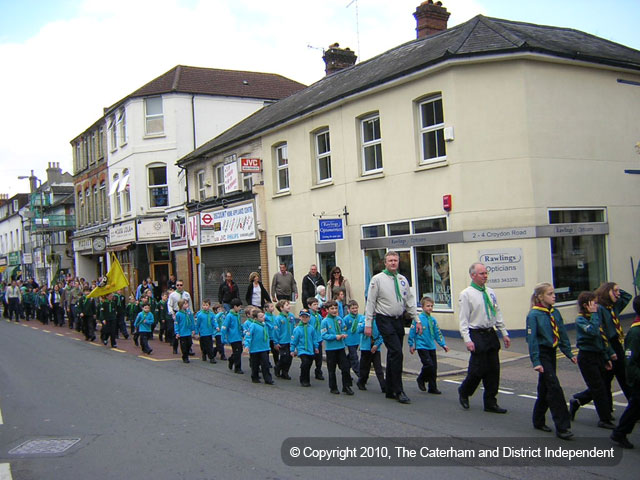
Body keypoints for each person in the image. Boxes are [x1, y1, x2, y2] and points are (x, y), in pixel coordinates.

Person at [364, 250, 420, 404]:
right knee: (396, 352)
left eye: (395, 260)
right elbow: (370, 302)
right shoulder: (377, 280)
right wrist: (368, 324)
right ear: (385, 262)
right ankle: (398, 390)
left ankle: (389, 388)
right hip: (384, 319)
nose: (393, 263)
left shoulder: (402, 279)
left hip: (398, 320)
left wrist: (417, 319)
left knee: (393, 353)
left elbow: (409, 300)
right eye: (390, 260)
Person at [458, 262, 511, 413]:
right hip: (476, 333)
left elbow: (497, 312)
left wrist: (504, 333)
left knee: (493, 369)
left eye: (486, 273)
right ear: (473, 275)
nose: (485, 276)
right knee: (477, 370)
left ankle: (490, 402)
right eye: (482, 274)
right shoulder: (466, 294)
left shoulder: (490, 292)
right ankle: (464, 391)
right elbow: (463, 320)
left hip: (490, 332)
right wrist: (467, 340)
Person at [525, 283, 576, 440]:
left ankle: (538, 420)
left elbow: (562, 333)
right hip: (543, 354)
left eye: (554, 293)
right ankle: (562, 426)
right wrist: (536, 361)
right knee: (554, 388)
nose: (554, 296)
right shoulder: (533, 315)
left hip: (552, 353)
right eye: (550, 294)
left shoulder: (555, 313)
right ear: (540, 297)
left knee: (545, 388)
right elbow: (531, 339)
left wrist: (569, 352)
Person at [569, 291, 617, 429]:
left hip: (598, 355)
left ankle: (578, 401)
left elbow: (602, 338)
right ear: (586, 305)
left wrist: (608, 355)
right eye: (594, 303)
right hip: (587, 357)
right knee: (598, 388)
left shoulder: (594, 317)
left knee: (601, 385)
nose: (596, 306)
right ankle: (604, 419)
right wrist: (595, 314)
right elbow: (593, 332)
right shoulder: (581, 320)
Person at [596, 282, 633, 408]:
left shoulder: (613, 306)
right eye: (615, 291)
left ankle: (633, 405)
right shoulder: (600, 308)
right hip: (609, 344)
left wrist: (616, 290)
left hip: (617, 343)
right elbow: (601, 331)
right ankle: (607, 407)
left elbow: (627, 297)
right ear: (607, 292)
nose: (618, 294)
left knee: (617, 376)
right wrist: (609, 351)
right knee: (612, 378)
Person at [610, 296, 640, 449]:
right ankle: (619, 433)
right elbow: (630, 361)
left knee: (635, 408)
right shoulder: (635, 333)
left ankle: (619, 433)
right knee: (635, 407)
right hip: (638, 379)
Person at [409, 296, 450, 395]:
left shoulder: (433, 320)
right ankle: (421, 379)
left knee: (434, 368)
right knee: (428, 365)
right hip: (421, 346)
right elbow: (412, 333)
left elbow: (437, 333)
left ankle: (432, 387)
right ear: (422, 307)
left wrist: (443, 344)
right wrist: (411, 345)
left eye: (431, 306)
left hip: (431, 346)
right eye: (428, 306)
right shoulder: (418, 319)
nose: (430, 308)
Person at [321, 300, 354, 395]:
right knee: (332, 369)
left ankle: (346, 386)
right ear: (327, 310)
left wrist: (343, 334)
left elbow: (344, 329)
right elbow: (324, 335)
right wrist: (335, 337)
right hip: (331, 349)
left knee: (345, 367)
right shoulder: (325, 321)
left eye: (335, 308)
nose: (334, 310)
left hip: (341, 347)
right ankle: (333, 387)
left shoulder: (339, 319)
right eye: (332, 308)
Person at [243, 309, 275, 385]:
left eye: (263, 316)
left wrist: (266, 319)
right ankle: (255, 377)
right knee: (255, 364)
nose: (263, 318)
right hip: (255, 349)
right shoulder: (253, 325)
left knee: (265, 364)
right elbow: (248, 336)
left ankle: (268, 379)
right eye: (261, 317)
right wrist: (247, 345)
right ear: (255, 318)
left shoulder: (265, 324)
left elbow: (272, 326)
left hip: (264, 348)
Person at [356, 312, 385, 393]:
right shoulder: (363, 318)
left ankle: (383, 386)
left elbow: (382, 334)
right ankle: (361, 382)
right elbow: (359, 330)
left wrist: (376, 345)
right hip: (365, 347)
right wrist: (367, 322)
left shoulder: (380, 320)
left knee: (378, 368)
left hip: (375, 347)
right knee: (365, 367)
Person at [291, 309, 320, 387]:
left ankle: (307, 379)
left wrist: (316, 347)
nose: (305, 318)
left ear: (309, 318)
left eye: (306, 317)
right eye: (303, 317)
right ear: (300, 317)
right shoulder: (297, 329)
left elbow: (314, 339)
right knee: (305, 362)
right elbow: (294, 340)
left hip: (310, 350)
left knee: (308, 364)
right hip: (302, 350)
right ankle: (303, 379)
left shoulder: (311, 328)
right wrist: (292, 350)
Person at [274, 299, 295, 380]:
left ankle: (285, 372)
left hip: (290, 340)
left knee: (289, 358)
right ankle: (278, 367)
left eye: (289, 304)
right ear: (281, 308)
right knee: (284, 357)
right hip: (282, 341)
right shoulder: (278, 318)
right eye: (287, 305)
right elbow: (276, 331)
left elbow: (293, 327)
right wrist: (276, 342)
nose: (289, 306)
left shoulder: (291, 316)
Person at [222, 298, 244, 373]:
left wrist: (242, 332)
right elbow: (225, 327)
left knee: (239, 350)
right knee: (237, 352)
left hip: (238, 336)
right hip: (233, 337)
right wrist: (223, 337)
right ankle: (237, 368)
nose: (240, 308)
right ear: (235, 307)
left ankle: (231, 359)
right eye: (239, 307)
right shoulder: (229, 316)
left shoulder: (238, 315)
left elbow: (239, 325)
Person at [342, 300, 362, 378]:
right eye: (353, 308)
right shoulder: (346, 318)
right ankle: (360, 374)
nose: (355, 310)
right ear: (349, 310)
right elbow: (343, 329)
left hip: (357, 340)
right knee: (354, 357)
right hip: (350, 341)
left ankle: (345, 370)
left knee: (350, 357)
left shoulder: (360, 317)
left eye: (356, 308)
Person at [307, 297, 325, 380]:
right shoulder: (308, 316)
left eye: (317, 304)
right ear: (309, 306)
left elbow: (321, 327)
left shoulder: (319, 316)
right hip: (311, 340)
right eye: (314, 304)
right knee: (310, 358)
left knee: (319, 358)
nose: (316, 306)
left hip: (318, 339)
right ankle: (305, 372)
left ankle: (318, 372)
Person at [174, 299, 195, 363]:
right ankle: (185, 356)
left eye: (187, 304)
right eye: (185, 304)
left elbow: (192, 321)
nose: (187, 305)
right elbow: (176, 323)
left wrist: (193, 329)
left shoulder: (189, 312)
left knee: (189, 343)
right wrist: (177, 332)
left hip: (188, 332)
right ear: (181, 305)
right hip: (182, 332)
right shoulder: (178, 314)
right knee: (184, 346)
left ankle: (188, 352)